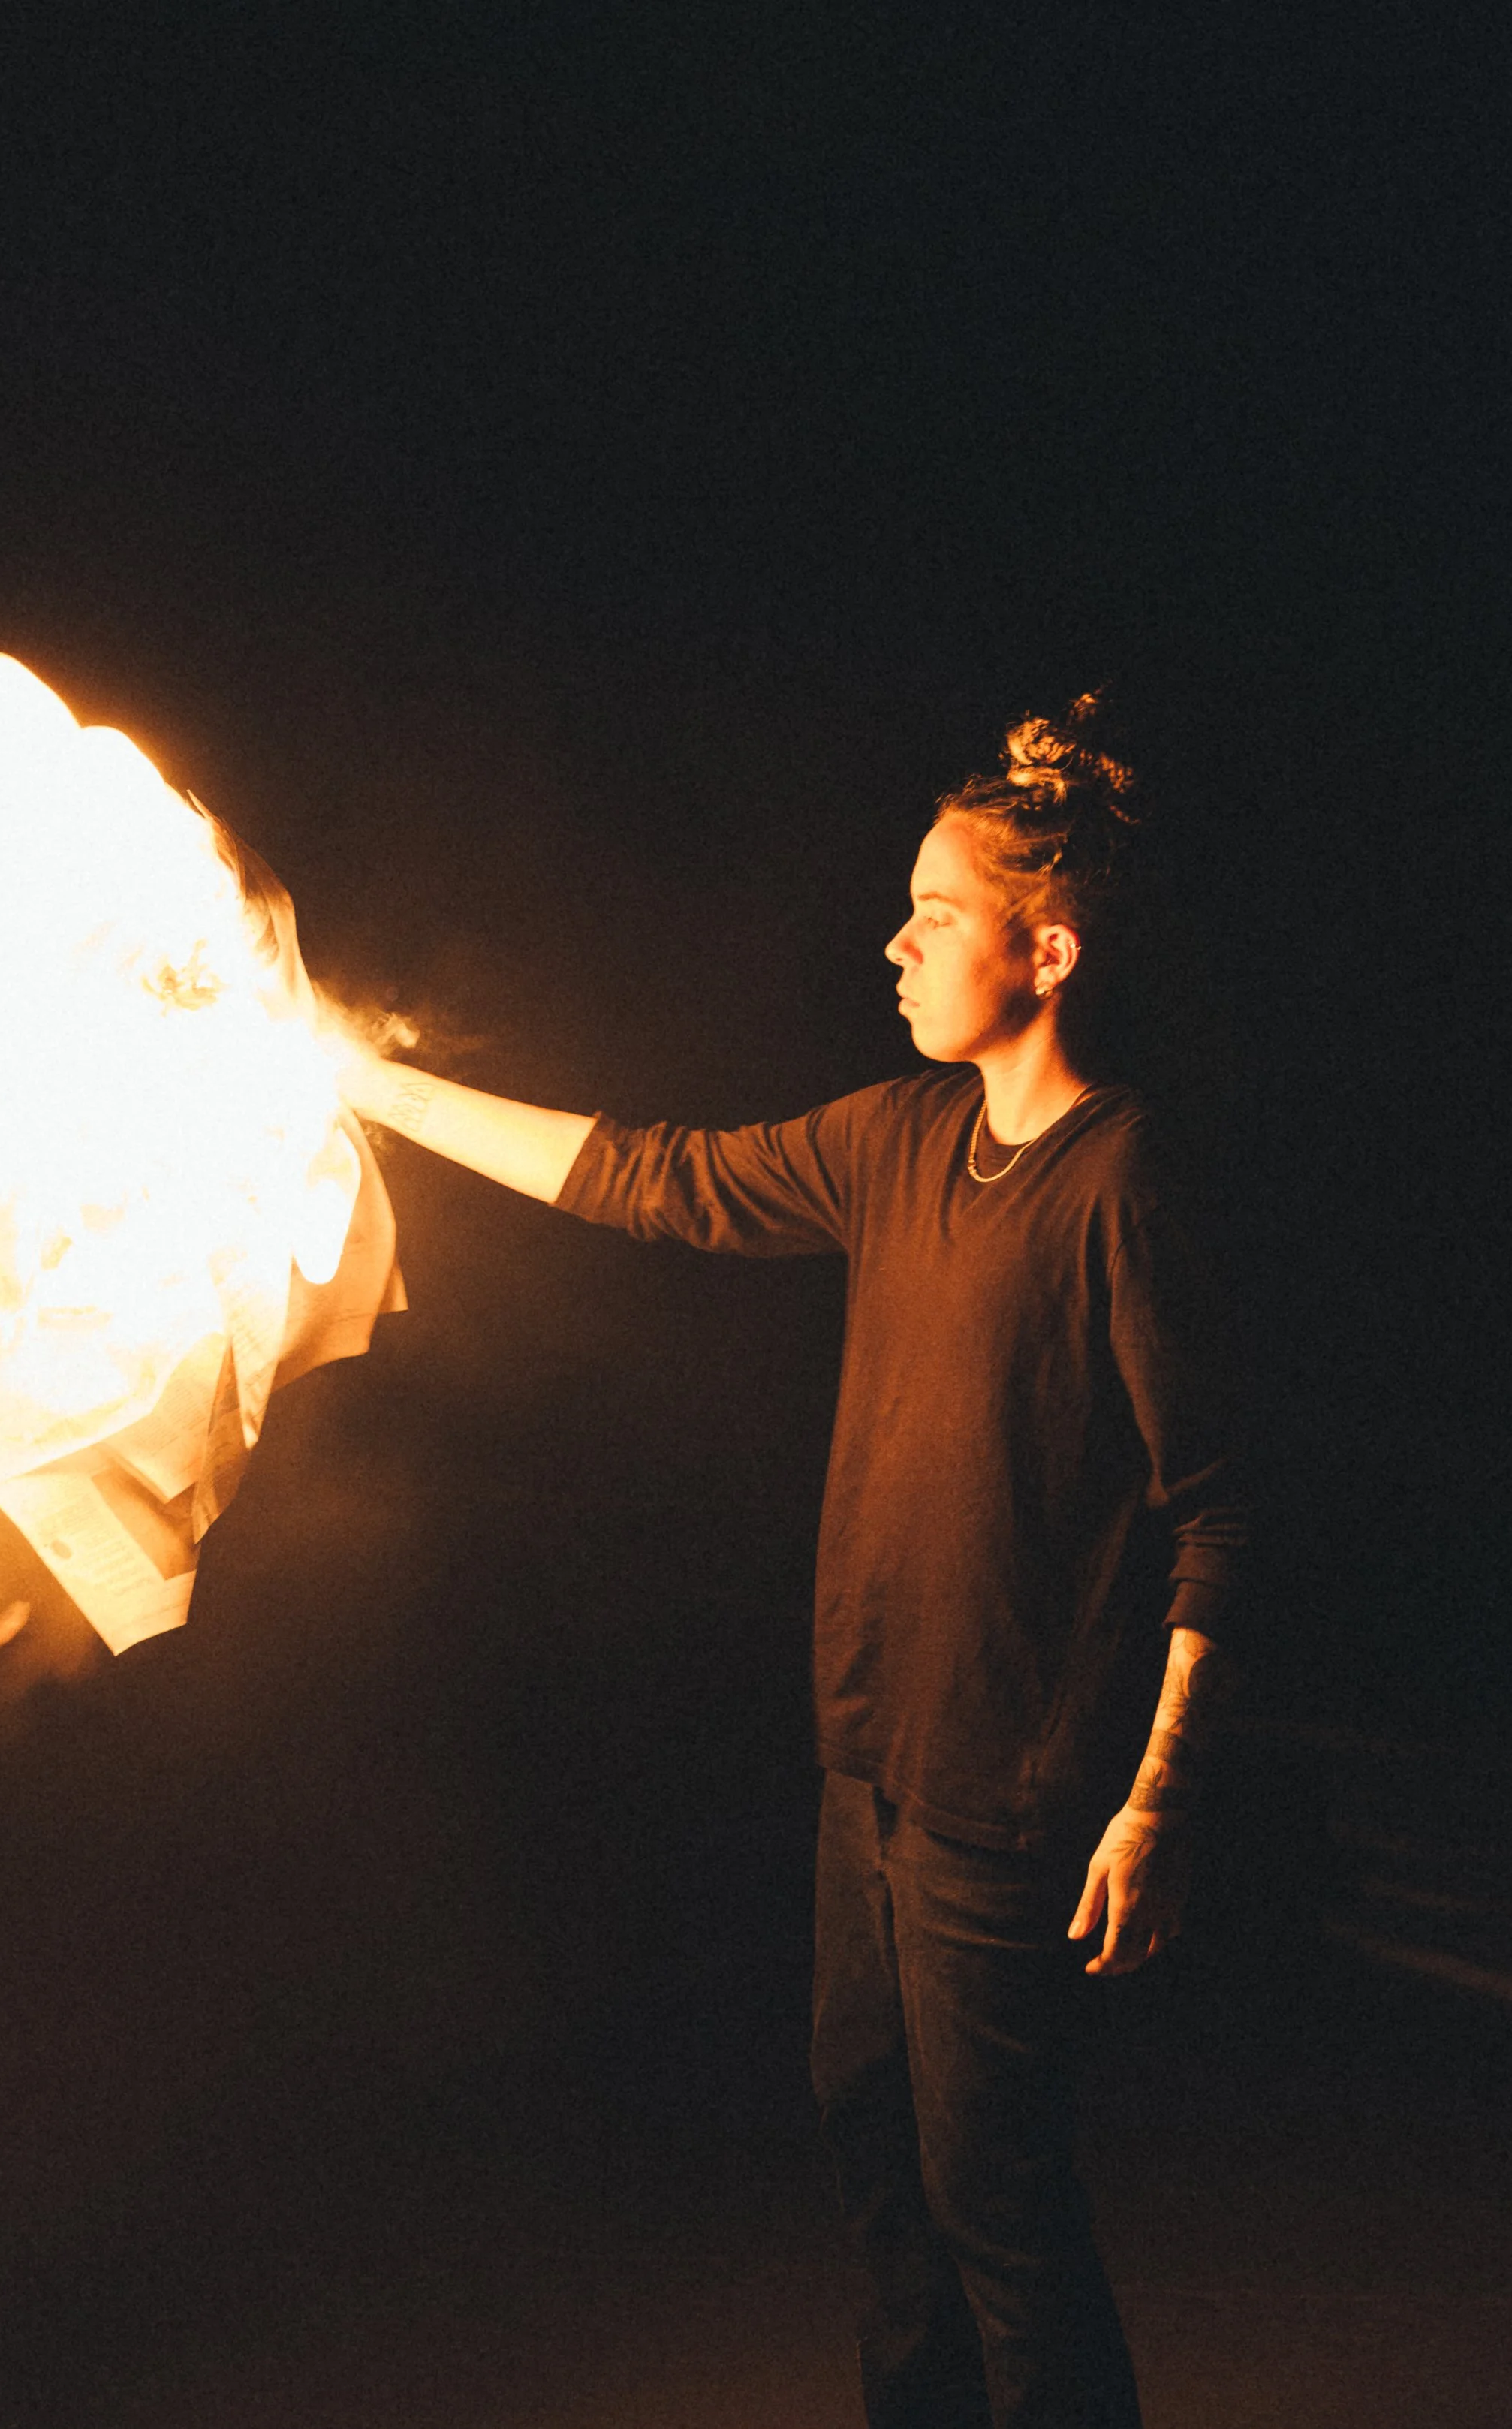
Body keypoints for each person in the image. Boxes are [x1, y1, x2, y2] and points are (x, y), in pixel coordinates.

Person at [335, 695, 1246, 2429]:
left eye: (933, 915)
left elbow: (1216, 1511)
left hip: (1006, 1799)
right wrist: (363, 1085)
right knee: (881, 2192)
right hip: (864, 1769)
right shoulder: (897, 1139)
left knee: (998, 2216)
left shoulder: (1120, 1181)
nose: (891, 944)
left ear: (1044, 952)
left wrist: (1156, 1802)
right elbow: (651, 1179)